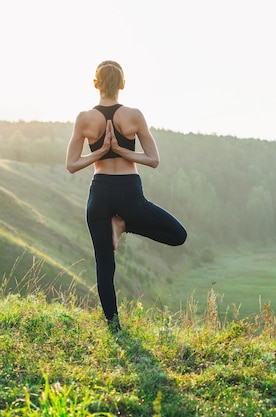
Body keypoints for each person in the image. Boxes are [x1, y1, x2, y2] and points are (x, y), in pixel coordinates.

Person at [65, 60, 187, 331]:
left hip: (99, 194)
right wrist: (123, 150)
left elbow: (72, 165)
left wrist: (100, 152)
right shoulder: (133, 115)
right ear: (122, 84)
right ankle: (125, 223)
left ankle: (114, 328)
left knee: (104, 266)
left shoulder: (84, 118)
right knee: (178, 236)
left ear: (95, 84)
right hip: (130, 192)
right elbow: (153, 159)